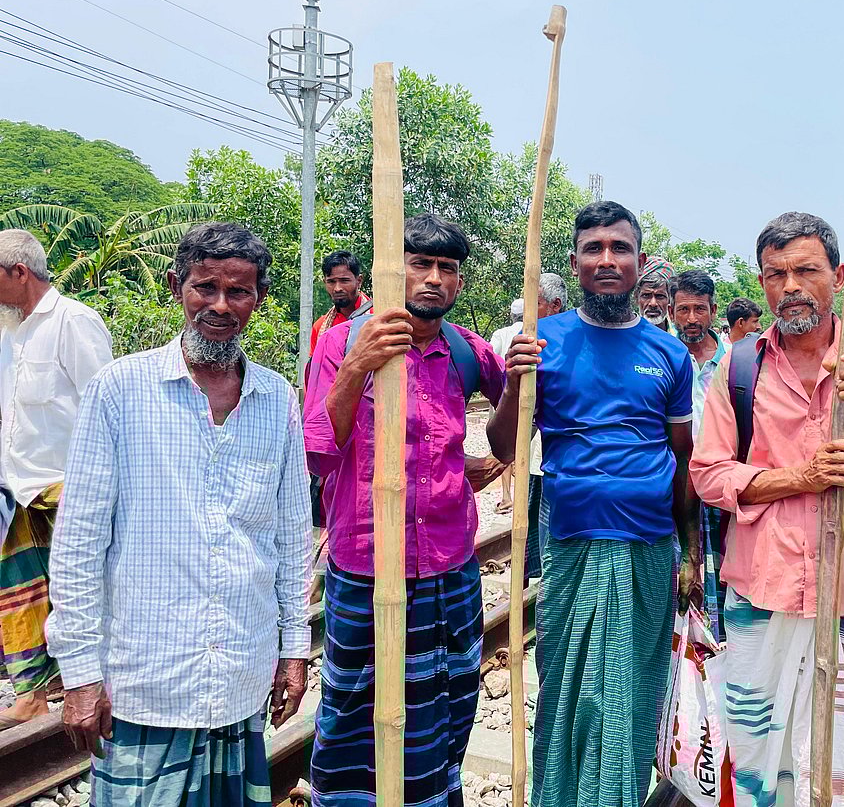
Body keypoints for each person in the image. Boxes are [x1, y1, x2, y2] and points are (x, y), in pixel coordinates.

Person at [45, 223, 310, 804]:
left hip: (240, 672)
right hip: (147, 680)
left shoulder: (276, 399)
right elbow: (78, 544)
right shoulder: (119, 391)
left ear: (259, 299)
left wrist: (294, 648)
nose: (219, 305)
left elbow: (292, 538)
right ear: (176, 288)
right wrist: (82, 675)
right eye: (204, 287)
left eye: (237, 292)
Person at [691, 212, 844, 807]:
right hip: (761, 590)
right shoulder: (742, 364)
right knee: (755, 755)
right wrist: (795, 479)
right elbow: (708, 473)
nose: (791, 286)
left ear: (840, 274)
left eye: (806, 270)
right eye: (776, 274)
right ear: (761, 282)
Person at [489, 201, 701, 807]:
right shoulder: (542, 342)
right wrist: (513, 383)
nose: (607, 260)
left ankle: (624, 795)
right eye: (594, 249)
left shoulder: (669, 355)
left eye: (620, 248)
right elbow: (506, 446)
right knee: (570, 686)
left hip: (648, 547)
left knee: (634, 685)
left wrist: (691, 554)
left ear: (640, 262)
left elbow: (683, 461)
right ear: (576, 261)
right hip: (571, 545)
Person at [304, 213, 507, 806]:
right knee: (350, 708)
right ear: (393, 272)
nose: (434, 279)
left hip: (448, 565)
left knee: (446, 702)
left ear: (459, 283)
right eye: (421, 264)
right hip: (365, 565)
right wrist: (358, 367)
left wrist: (515, 393)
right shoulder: (342, 342)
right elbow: (318, 452)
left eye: (448, 269)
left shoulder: (466, 351)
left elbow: (508, 430)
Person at [0, 229, 112, 730]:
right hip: (17, 488)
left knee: (77, 593)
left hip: (67, 487)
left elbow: (107, 408)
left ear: (19, 273)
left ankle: (84, 682)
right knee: (19, 592)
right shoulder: (9, 333)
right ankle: (29, 694)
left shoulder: (74, 322)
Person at [668, 268, 729, 638]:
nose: (692, 319)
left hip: (721, 482)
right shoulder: (664, 355)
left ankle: (722, 650)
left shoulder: (734, 359)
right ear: (674, 311)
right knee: (680, 573)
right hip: (677, 481)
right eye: (684, 309)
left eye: (700, 309)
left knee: (723, 574)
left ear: (713, 310)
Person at [524, 272, 567, 579]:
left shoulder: (564, 341)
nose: (529, 310)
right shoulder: (531, 340)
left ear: (554, 305)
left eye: (534, 303)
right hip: (539, 459)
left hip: (560, 466)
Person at [490, 299, 525, 514]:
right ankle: (521, 495)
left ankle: (506, 496)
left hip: (504, 397)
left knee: (502, 449)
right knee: (522, 449)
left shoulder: (501, 333)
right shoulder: (534, 331)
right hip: (526, 398)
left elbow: (492, 362)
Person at [311, 250, 370, 351]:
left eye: (344, 281)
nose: (337, 288)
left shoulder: (378, 315)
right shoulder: (320, 327)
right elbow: (316, 365)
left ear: (359, 281)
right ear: (325, 282)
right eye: (331, 282)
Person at [635, 254, 675, 333]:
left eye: (660, 296)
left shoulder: (680, 337)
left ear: (670, 300)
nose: (653, 304)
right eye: (646, 295)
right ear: (636, 298)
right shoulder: (625, 335)